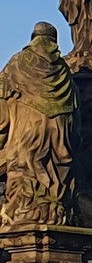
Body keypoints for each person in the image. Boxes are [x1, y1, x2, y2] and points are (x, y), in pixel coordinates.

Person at [0, 23, 78, 227]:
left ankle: (24, 212)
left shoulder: (17, 64)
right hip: (60, 139)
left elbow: (2, 112)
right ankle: (55, 209)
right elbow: (76, 118)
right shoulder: (64, 72)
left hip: (27, 134)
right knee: (56, 182)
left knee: (24, 169)